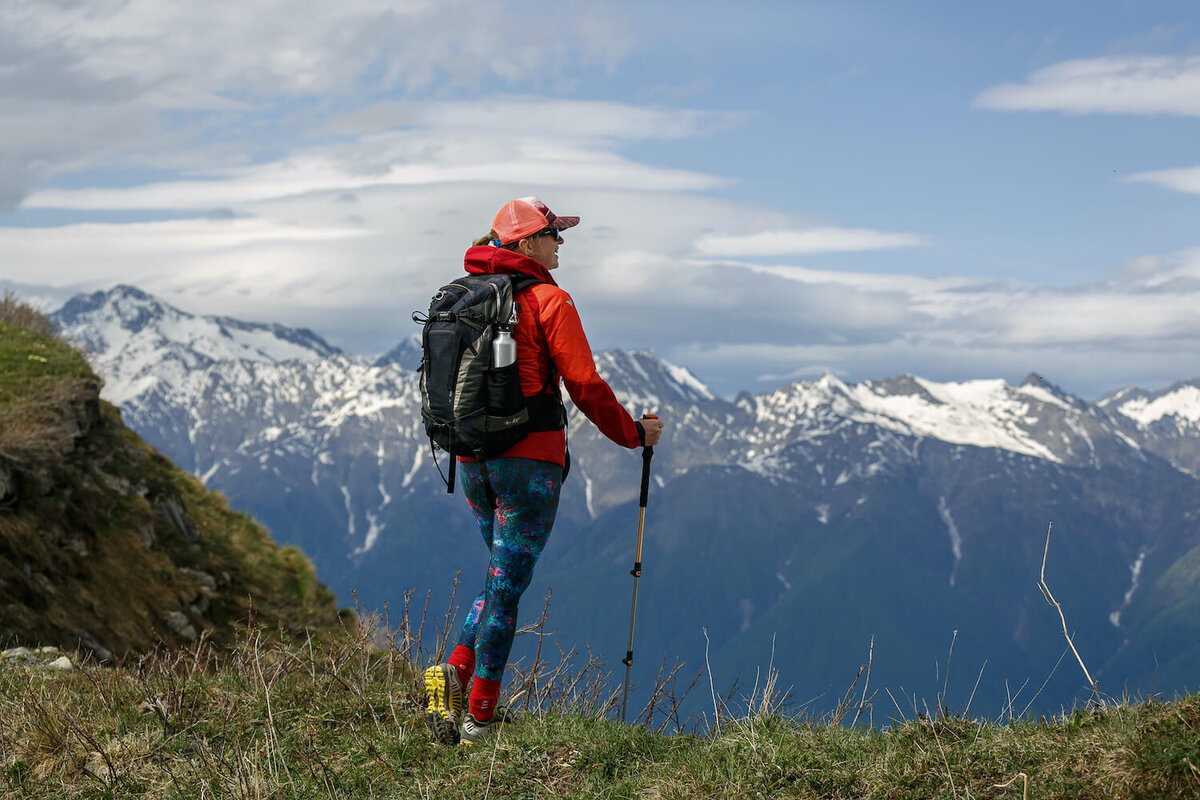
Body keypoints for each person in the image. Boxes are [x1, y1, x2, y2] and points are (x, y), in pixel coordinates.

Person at [423, 196, 665, 746]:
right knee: (507, 588)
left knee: (500, 575)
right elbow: (584, 385)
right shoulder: (549, 301)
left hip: (472, 459)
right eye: (554, 234)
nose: (561, 243)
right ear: (527, 244)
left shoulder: (461, 299)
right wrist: (633, 434)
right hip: (529, 463)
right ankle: (479, 718)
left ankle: (451, 675)